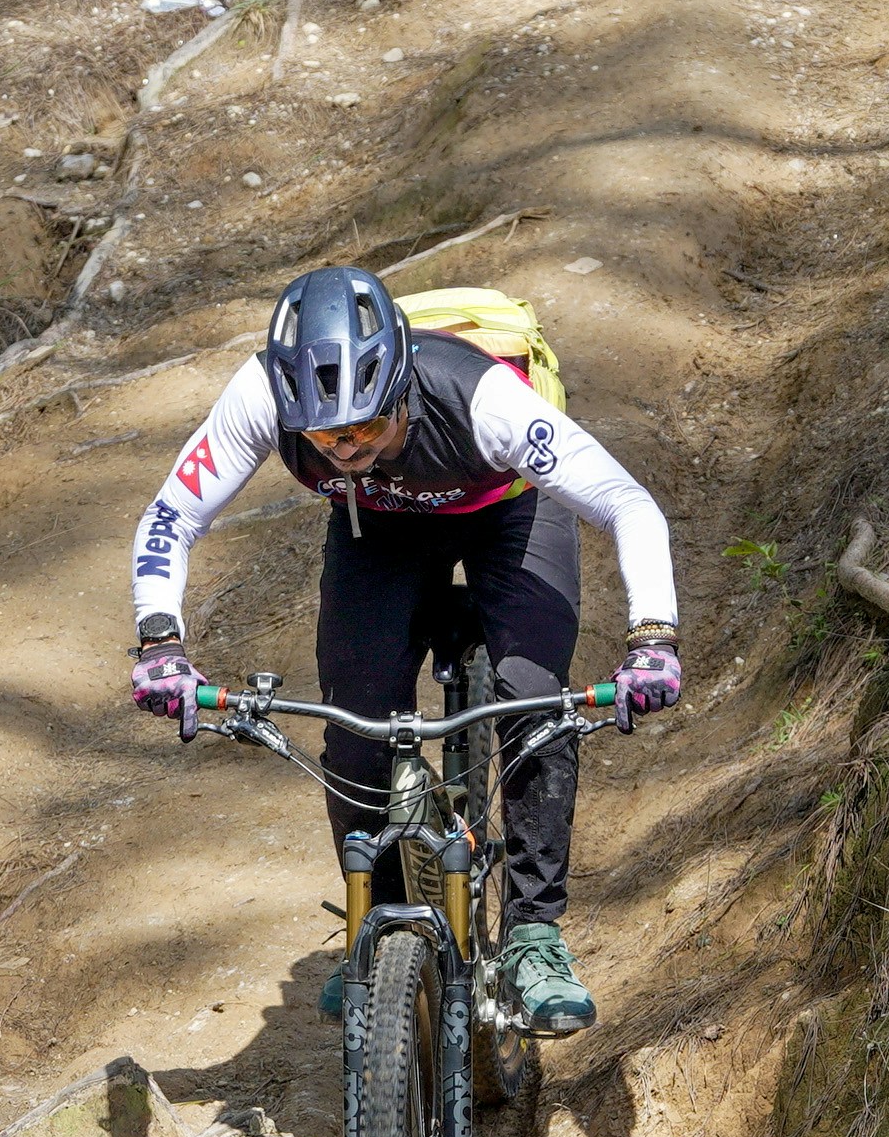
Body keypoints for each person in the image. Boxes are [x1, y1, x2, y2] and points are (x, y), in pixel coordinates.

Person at [124, 265, 682, 1036]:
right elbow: (170, 516)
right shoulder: (263, 395)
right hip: (377, 532)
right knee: (356, 732)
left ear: (400, 390)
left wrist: (652, 638)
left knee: (533, 699)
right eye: (325, 435)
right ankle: (376, 926)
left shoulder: (481, 399)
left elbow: (627, 503)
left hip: (507, 515)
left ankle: (533, 934)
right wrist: (160, 641)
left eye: (364, 427)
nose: (345, 447)